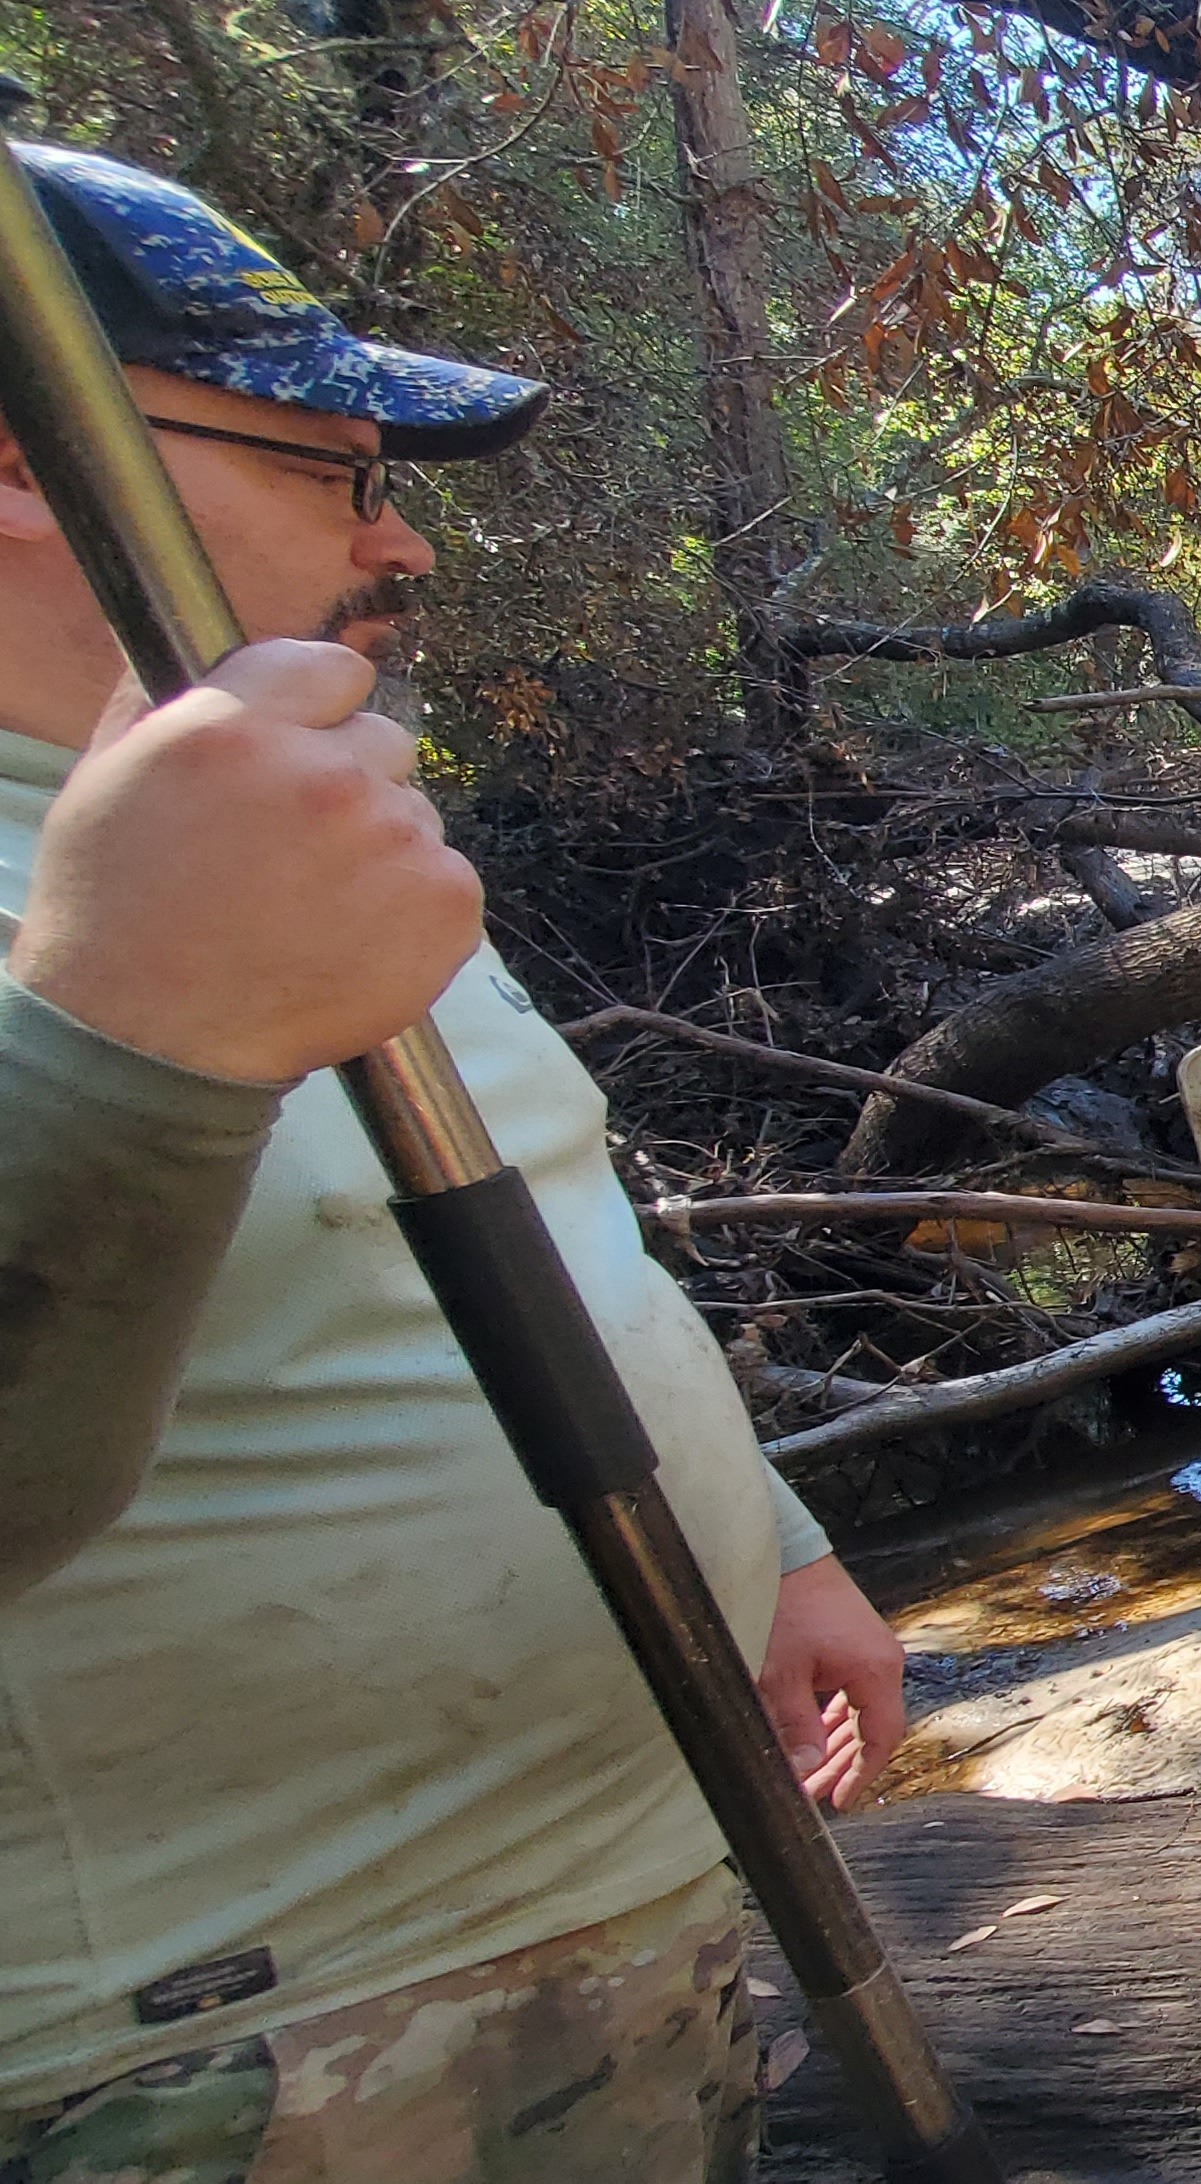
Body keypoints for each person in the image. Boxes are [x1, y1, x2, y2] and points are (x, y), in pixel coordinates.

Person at [0, 142, 908, 2176]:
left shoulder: (300, 828)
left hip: (629, 1926)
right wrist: (121, 1042)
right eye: (339, 474)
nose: (402, 546)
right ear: (24, 459)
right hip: (202, 2071)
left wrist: (775, 1545)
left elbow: (531, 1221)